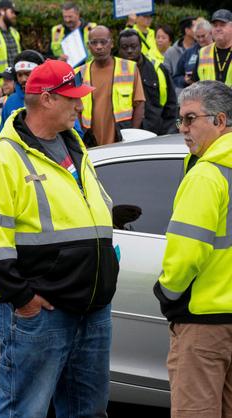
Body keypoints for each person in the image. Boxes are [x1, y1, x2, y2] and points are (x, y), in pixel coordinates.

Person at [0, 59, 118, 418]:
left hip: (91, 308)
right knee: (25, 410)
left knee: (89, 410)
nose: (80, 105)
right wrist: (23, 298)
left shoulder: (76, 147)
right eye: (72, 98)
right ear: (48, 99)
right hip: (40, 313)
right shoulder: (4, 158)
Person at [154, 80, 232, 418]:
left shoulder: (207, 175)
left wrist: (167, 293)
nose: (183, 129)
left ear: (220, 120)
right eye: (180, 121)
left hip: (204, 323)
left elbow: (186, 253)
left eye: (190, 119)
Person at [78, 25, 145, 145]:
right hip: (90, 141)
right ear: (88, 46)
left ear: (112, 43)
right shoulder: (79, 73)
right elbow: (75, 109)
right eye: (94, 43)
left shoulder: (130, 68)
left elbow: (139, 104)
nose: (99, 47)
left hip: (122, 138)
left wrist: (132, 137)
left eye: (103, 42)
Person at [119, 29, 178, 135]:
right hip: (124, 134)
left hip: (156, 133)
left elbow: (171, 105)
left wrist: (168, 132)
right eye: (124, 47)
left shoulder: (157, 69)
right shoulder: (114, 72)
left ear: (141, 46)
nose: (129, 50)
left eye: (133, 46)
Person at [0, 50, 44, 134]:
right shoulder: (10, 102)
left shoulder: (52, 98)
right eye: (19, 75)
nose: (23, 79)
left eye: (27, 74)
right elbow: (2, 134)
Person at [192, 9, 232, 86]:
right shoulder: (203, 52)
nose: (218, 29)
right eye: (215, 25)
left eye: (222, 25)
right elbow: (195, 84)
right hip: (208, 98)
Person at [49, 2, 96, 66]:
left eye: (70, 17)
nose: (67, 20)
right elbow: (49, 54)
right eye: (65, 17)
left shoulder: (92, 28)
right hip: (64, 69)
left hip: (88, 68)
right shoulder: (57, 30)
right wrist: (58, 58)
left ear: (78, 14)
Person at [175, 18, 212, 92]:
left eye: (203, 36)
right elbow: (176, 77)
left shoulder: (219, 49)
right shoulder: (189, 53)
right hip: (195, 95)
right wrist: (184, 80)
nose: (201, 40)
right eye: (198, 37)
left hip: (215, 93)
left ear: (211, 33)